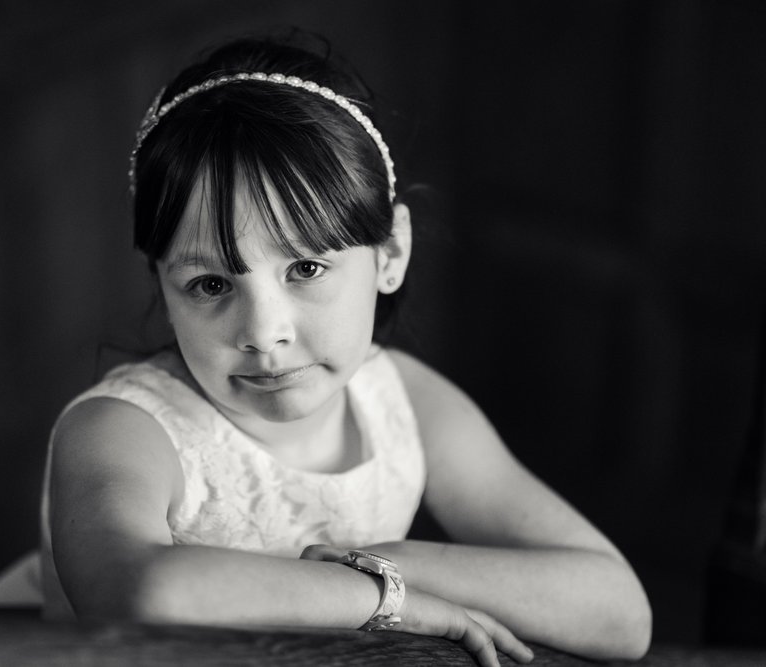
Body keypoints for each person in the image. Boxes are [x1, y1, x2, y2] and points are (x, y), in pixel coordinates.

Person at [40, 32, 652, 666]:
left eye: (305, 269)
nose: (264, 332)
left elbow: (619, 613)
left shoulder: (403, 401)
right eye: (211, 283)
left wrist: (391, 567)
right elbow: (137, 592)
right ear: (161, 284)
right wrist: (387, 600)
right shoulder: (122, 429)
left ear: (390, 254)